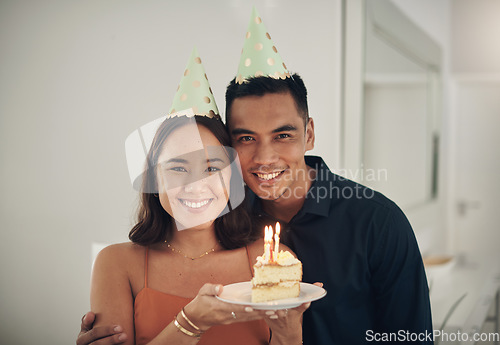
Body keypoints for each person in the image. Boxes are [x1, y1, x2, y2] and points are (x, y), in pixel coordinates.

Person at [80, 48, 309, 345]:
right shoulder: (116, 264)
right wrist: (191, 322)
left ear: (233, 175)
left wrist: (290, 333)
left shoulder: (272, 264)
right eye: (177, 167)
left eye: (212, 167)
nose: (196, 185)